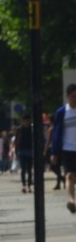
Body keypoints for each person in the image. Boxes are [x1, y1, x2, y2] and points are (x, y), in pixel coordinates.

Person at [48, 83, 76, 213]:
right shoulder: (62, 112)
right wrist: (54, 152)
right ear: (67, 96)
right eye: (72, 96)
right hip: (67, 148)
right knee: (69, 175)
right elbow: (57, 132)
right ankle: (72, 200)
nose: (74, 99)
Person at [13, 114, 35, 193]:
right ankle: (23, 185)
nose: (26, 122)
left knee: (29, 169)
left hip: (30, 150)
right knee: (23, 169)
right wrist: (16, 151)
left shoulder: (32, 129)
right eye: (25, 121)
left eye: (28, 121)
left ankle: (29, 186)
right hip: (22, 150)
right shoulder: (19, 129)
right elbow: (16, 141)